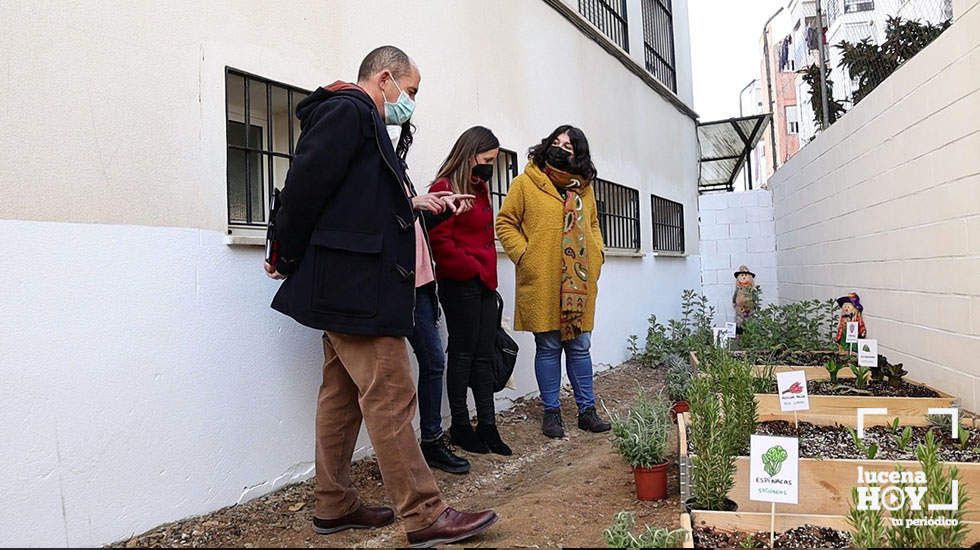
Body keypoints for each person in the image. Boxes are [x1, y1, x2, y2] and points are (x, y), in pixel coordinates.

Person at [264, 45, 496, 547]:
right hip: (355, 286)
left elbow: (350, 200)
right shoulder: (350, 111)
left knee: (342, 396)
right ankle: (424, 512)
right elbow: (305, 184)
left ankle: (333, 504)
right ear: (386, 78)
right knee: (391, 392)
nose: (410, 101)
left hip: (348, 281)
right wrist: (282, 250)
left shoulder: (363, 120)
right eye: (410, 91)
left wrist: (416, 203)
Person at [495, 125, 611, 439]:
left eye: (569, 147)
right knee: (547, 346)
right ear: (547, 145)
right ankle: (552, 413)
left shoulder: (585, 189)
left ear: (578, 155)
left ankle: (587, 411)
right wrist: (524, 254)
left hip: (579, 282)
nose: (561, 148)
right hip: (543, 279)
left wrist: (596, 255)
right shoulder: (526, 183)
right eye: (557, 142)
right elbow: (505, 222)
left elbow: (594, 225)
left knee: (580, 346)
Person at [389, 121, 475, 475]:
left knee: (433, 361)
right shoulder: (373, 172)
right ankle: (412, 451)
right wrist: (413, 203)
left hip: (422, 283)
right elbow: (382, 219)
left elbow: (414, 230)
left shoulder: (399, 170)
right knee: (394, 375)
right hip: (397, 286)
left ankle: (431, 442)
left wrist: (436, 207)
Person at [428, 126, 512, 456]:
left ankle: (488, 425)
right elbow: (440, 241)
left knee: (483, 353)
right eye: (487, 159)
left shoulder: (480, 188)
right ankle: (461, 426)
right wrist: (472, 268)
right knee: (462, 354)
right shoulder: (444, 188)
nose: (490, 165)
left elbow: (485, 237)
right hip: (460, 282)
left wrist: (485, 273)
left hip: (483, 284)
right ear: (470, 154)